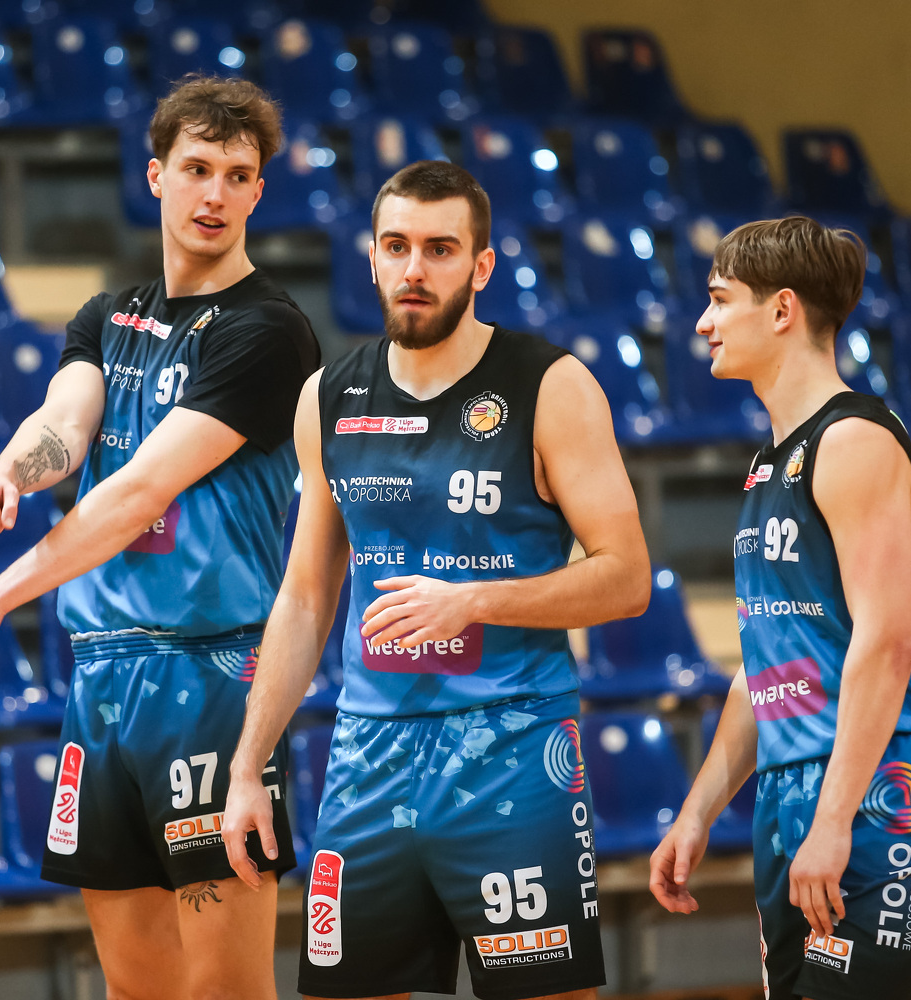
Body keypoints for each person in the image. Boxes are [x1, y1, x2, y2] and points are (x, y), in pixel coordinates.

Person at [0, 75, 320, 1000]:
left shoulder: (267, 330)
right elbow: (65, 424)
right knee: (134, 985)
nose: (214, 193)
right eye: (197, 168)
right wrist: (7, 473)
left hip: (210, 676)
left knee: (223, 990)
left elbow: (139, 491)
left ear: (259, 192)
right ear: (156, 176)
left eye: (237, 175)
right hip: (102, 679)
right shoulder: (109, 317)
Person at [222, 160, 651, 1000]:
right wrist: (247, 765)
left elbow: (627, 578)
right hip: (368, 759)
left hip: (511, 749)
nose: (414, 268)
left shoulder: (551, 385)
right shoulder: (328, 396)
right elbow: (305, 597)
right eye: (397, 246)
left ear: (481, 265)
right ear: (372, 258)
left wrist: (476, 601)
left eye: (440, 249)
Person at [649, 217, 911, 1000]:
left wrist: (834, 818)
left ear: (782, 310)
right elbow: (766, 667)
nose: (703, 323)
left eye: (720, 300)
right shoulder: (772, 462)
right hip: (794, 791)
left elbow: (885, 645)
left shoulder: (854, 442)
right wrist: (697, 812)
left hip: (880, 790)